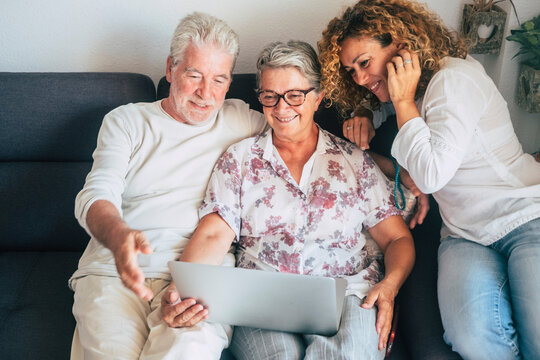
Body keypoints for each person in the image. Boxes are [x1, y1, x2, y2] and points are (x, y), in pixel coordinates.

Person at [166, 40, 415, 360]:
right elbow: (214, 233)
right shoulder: (240, 159)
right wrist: (181, 292)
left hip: (347, 294)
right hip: (262, 295)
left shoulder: (353, 161)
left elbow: (397, 238)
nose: (282, 108)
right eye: (270, 97)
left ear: (318, 97)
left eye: (295, 95)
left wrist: (390, 286)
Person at [318, 1, 540, 359]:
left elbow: (431, 176)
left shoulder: (452, 81)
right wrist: (363, 109)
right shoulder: (403, 90)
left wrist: (404, 100)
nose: (359, 78)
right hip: (464, 234)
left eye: (364, 63)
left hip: (523, 214)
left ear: (401, 45)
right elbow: (386, 119)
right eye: (351, 70)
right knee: (472, 339)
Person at [69, 12, 267, 360]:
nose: (206, 93)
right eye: (194, 75)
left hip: (201, 273)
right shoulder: (126, 121)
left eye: (220, 79)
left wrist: (360, 118)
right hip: (116, 270)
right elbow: (95, 194)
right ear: (170, 68)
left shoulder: (245, 122)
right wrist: (119, 237)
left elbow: (305, 135)